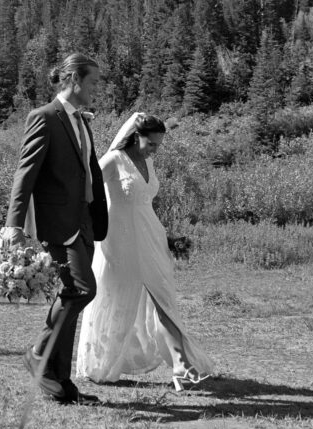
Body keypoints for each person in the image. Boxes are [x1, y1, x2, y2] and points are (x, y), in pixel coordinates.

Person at [76, 113, 216, 391]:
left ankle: (180, 364)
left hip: (151, 234)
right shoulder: (114, 161)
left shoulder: (149, 162)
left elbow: (145, 202)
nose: (154, 150)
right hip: (120, 238)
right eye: (151, 144)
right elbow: (86, 188)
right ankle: (103, 361)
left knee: (162, 297)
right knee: (118, 296)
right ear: (135, 136)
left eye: (158, 145)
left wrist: (168, 237)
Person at [1, 53, 109, 405]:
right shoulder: (44, 118)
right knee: (81, 290)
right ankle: (38, 356)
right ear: (74, 80)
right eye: (92, 82)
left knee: (73, 295)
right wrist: (13, 226)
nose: (96, 89)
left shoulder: (81, 120)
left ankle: (60, 385)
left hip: (84, 223)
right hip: (57, 223)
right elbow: (25, 174)